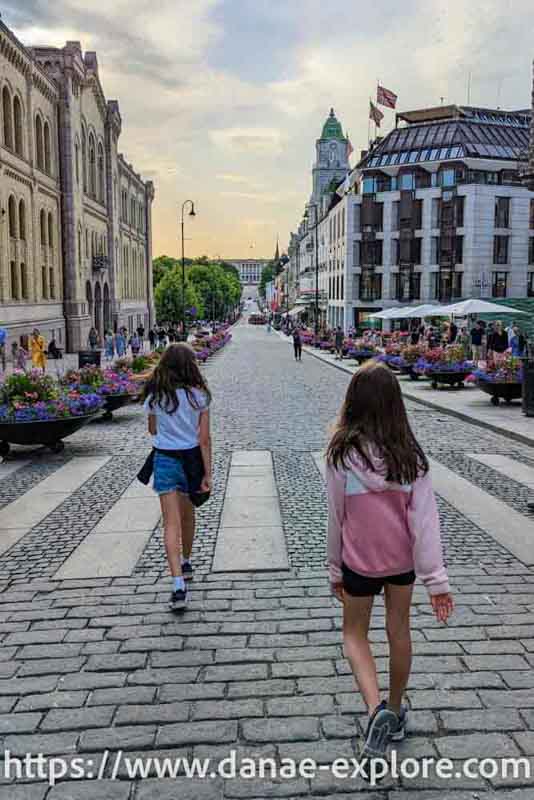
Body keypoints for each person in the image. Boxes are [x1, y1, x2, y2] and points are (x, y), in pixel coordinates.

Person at [326, 361, 452, 767]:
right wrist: (436, 580)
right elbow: (425, 521)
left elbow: (336, 515)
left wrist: (334, 567)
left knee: (353, 635)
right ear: (396, 406)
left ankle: (373, 709)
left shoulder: (342, 455)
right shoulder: (410, 458)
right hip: (401, 563)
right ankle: (395, 712)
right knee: (399, 631)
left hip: (359, 563)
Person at [142, 344, 212, 612]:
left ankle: (177, 585)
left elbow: (152, 429)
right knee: (187, 514)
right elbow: (204, 439)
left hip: (165, 459)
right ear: (191, 365)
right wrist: (208, 474)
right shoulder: (200, 396)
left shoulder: (155, 395)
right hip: (192, 459)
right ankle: (186, 560)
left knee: (169, 523)